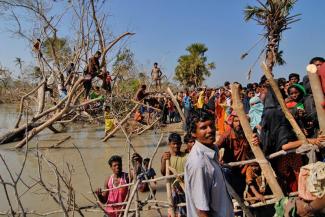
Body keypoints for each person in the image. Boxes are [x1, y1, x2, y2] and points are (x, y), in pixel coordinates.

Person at [185, 111, 234, 217]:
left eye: (211, 125)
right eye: (203, 128)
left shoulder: (212, 150)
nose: (210, 130)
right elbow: (202, 212)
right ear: (193, 133)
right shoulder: (199, 163)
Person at [161, 133, 188, 217]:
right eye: (174, 143)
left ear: (181, 144)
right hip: (173, 192)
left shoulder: (186, 156)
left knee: (185, 213)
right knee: (173, 213)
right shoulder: (166, 157)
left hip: (184, 190)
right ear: (169, 144)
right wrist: (163, 161)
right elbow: (163, 172)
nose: (176, 146)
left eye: (178, 143)